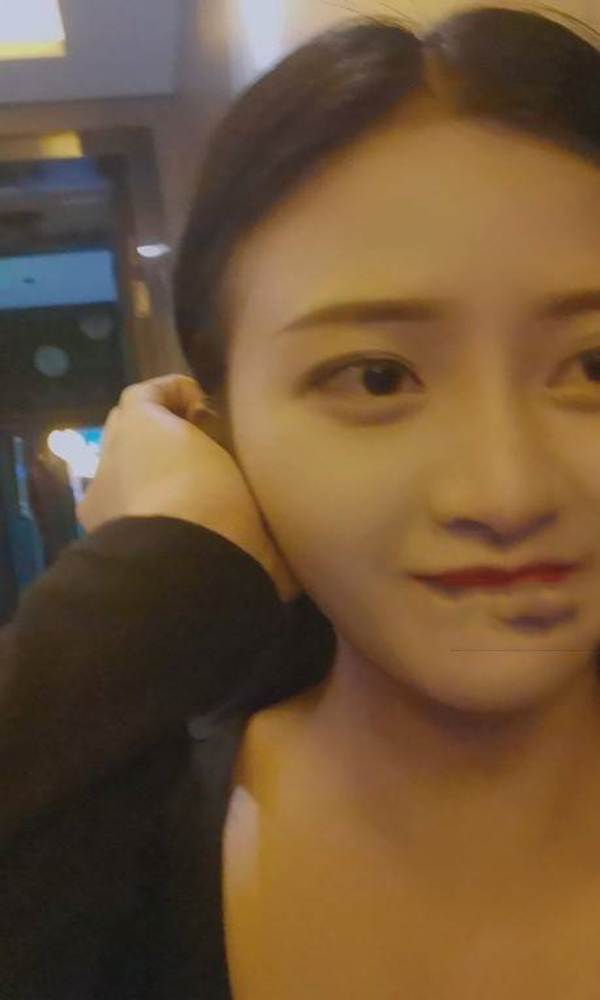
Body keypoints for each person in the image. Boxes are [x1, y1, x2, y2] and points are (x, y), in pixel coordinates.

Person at [3, 5, 600, 996]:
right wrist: (154, 574)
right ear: (224, 430)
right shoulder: (97, 859)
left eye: (592, 365)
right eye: (376, 377)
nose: (505, 490)